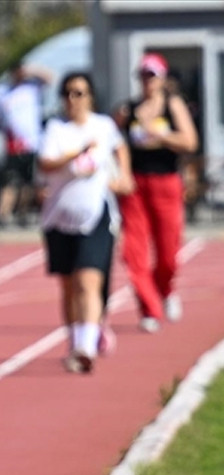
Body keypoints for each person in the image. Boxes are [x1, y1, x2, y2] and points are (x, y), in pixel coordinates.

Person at [38, 72, 133, 373]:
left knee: (88, 280)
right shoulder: (55, 129)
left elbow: (119, 147)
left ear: (90, 96)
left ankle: (86, 347)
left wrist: (124, 175)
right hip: (59, 216)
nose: (73, 99)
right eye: (67, 93)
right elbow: (46, 162)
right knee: (68, 285)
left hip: (96, 213)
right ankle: (75, 338)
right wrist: (77, 152)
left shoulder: (103, 126)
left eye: (79, 93)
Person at [114, 52, 199, 333]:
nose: (147, 82)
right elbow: (115, 144)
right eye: (142, 76)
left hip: (166, 182)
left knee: (168, 251)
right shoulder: (129, 109)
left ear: (161, 79)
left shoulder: (172, 105)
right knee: (133, 251)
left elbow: (189, 141)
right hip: (136, 185)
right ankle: (149, 308)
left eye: (151, 76)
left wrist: (161, 135)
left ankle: (165, 289)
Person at [0, 61, 53, 226]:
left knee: (28, 182)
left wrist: (31, 71)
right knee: (10, 180)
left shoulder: (31, 88)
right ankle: (3, 214)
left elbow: (50, 78)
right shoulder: (2, 92)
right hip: (12, 143)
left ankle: (23, 213)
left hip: (32, 143)